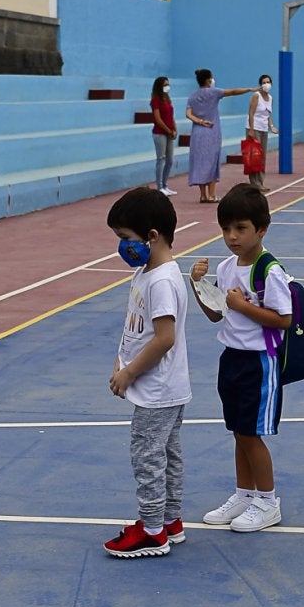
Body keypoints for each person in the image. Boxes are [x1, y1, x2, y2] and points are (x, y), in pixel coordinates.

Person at [189, 184, 293, 533]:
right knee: (238, 431)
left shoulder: (269, 270)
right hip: (231, 357)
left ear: (262, 229)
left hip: (259, 361)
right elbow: (217, 314)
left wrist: (244, 306)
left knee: (251, 434)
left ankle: (267, 501)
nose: (231, 237)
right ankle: (244, 494)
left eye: (241, 228)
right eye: (225, 229)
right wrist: (198, 285)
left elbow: (284, 320)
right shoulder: (227, 265)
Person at [102, 188, 191, 558]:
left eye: (126, 239)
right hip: (162, 388)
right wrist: (121, 361)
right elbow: (136, 329)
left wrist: (131, 374)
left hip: (157, 390)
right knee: (166, 453)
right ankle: (170, 520)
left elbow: (164, 338)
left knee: (148, 457)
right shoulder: (147, 272)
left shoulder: (162, 281)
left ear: (152, 236)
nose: (122, 247)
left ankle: (152, 530)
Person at [184, 68, 256, 205]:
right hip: (211, 132)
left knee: (200, 162)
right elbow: (233, 92)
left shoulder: (192, 96)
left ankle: (203, 195)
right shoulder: (214, 92)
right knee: (211, 162)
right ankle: (211, 195)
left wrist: (199, 121)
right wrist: (249, 89)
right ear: (208, 80)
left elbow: (188, 114)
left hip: (198, 133)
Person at [244, 73, 274, 192]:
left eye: (268, 82)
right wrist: (251, 129)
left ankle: (260, 182)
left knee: (262, 157)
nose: (266, 84)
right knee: (254, 156)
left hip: (264, 129)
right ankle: (254, 183)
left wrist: (271, 126)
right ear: (260, 85)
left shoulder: (270, 98)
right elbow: (251, 112)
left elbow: (268, 114)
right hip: (254, 128)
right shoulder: (256, 96)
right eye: (264, 82)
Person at [149, 76, 178, 195]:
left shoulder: (167, 99)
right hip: (160, 133)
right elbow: (158, 118)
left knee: (170, 160)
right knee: (161, 159)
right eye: (165, 85)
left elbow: (171, 117)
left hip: (169, 133)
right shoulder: (155, 100)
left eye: (168, 84)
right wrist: (168, 130)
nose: (167, 87)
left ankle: (165, 185)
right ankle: (160, 186)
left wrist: (174, 129)